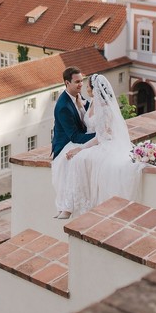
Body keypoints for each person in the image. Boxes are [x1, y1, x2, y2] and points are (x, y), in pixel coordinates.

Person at [55, 73, 141, 218]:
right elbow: (88, 121)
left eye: (87, 85)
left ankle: (72, 207)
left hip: (104, 143)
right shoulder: (93, 102)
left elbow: (101, 137)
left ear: (94, 88)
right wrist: (80, 107)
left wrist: (81, 148)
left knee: (78, 159)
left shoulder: (106, 108)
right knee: (70, 159)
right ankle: (67, 205)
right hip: (95, 140)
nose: (84, 87)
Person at [51, 67, 94, 218]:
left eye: (82, 81)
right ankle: (67, 205)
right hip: (65, 143)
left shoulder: (77, 95)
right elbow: (74, 136)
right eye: (77, 82)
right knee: (71, 161)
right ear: (67, 83)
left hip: (79, 136)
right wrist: (98, 137)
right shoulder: (63, 106)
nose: (81, 84)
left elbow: (88, 113)